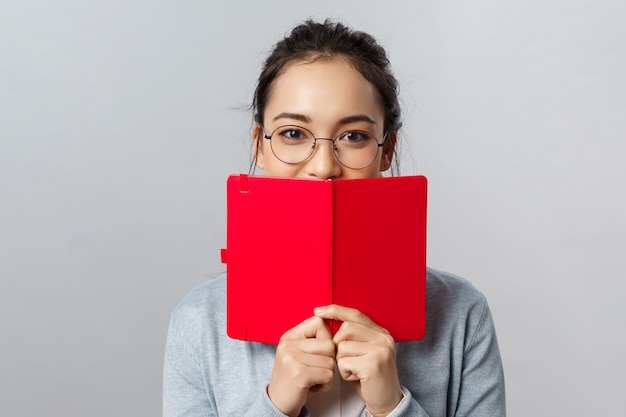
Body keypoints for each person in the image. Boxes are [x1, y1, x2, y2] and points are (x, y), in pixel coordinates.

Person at [163, 19, 506, 417]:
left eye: (353, 136)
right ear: (259, 145)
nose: (323, 166)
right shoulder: (199, 322)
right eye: (293, 134)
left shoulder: (461, 313)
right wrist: (275, 405)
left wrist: (393, 407)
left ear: (387, 149)